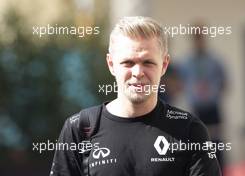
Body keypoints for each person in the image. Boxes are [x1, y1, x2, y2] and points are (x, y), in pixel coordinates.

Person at [50, 16, 221, 176]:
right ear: (111, 64)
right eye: (128, 63)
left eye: (148, 62)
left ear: (164, 65)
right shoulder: (79, 129)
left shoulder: (189, 130)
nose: (138, 72)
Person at [179, 23, 227, 169]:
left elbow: (225, 82)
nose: (199, 40)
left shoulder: (215, 61)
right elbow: (180, 85)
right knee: (199, 144)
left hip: (213, 108)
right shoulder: (186, 63)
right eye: (196, 37)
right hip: (196, 109)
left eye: (201, 36)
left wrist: (212, 90)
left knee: (216, 145)